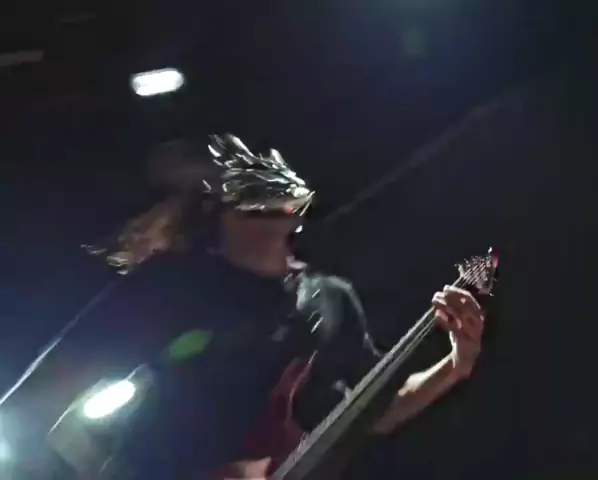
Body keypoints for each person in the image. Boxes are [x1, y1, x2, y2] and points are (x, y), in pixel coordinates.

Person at [66, 134, 486, 478]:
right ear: (222, 211)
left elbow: (374, 411)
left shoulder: (329, 296)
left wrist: (456, 364)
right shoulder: (176, 286)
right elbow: (62, 391)